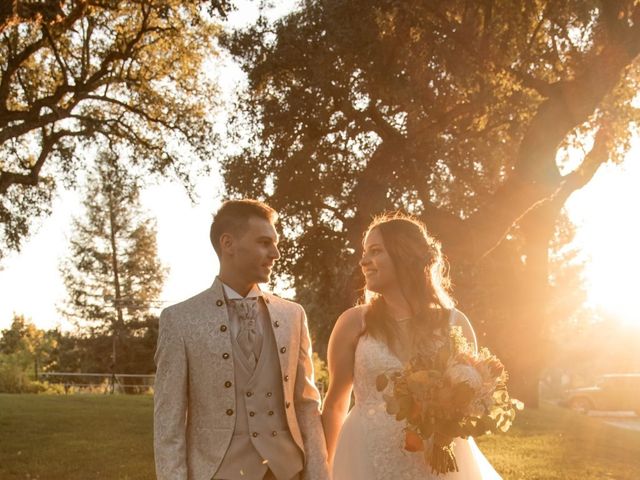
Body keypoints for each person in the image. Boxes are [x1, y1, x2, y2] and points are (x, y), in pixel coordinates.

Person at [154, 199, 329, 480]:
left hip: (287, 471)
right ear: (228, 244)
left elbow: (307, 405)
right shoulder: (180, 320)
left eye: (275, 243)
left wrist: (319, 474)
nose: (276, 253)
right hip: (218, 472)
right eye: (264, 242)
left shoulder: (292, 315)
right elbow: (168, 422)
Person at [321, 212, 501, 479]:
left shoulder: (455, 323)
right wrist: (323, 468)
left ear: (404, 254)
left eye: (375, 251)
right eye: (364, 251)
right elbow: (336, 403)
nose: (363, 261)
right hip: (365, 454)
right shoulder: (354, 322)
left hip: (434, 460)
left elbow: (468, 406)